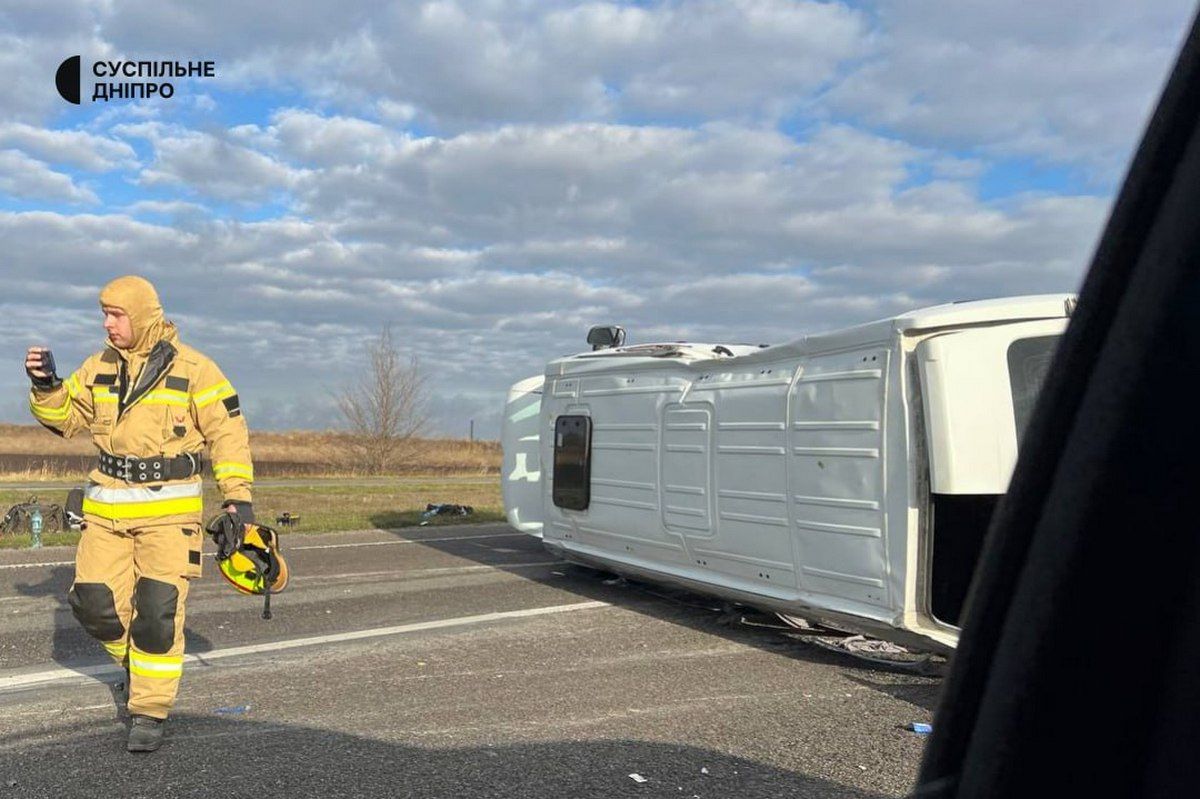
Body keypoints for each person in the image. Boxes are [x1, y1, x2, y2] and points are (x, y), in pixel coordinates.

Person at [24, 275, 254, 753]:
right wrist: (46, 386)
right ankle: (135, 666)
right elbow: (67, 421)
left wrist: (238, 499)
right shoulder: (97, 366)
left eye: (116, 315)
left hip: (170, 517)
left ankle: (148, 709)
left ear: (145, 316)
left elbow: (229, 436)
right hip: (106, 510)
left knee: (155, 614)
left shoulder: (197, 370)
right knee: (93, 606)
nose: (108, 324)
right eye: (104, 315)